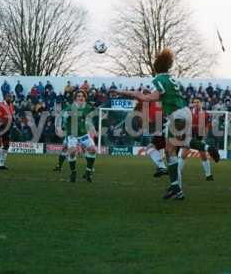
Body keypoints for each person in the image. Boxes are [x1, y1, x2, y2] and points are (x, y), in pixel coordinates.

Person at [117, 48, 219, 200]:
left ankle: (176, 186)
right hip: (184, 112)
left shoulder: (159, 80)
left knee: (173, 149)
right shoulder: (171, 79)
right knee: (175, 146)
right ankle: (177, 188)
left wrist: (125, 92)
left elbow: (148, 98)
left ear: (155, 67)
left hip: (177, 115)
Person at [56, 90, 97, 182]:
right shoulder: (69, 108)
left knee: (93, 150)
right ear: (75, 98)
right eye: (78, 96)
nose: (80, 97)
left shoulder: (87, 107)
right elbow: (59, 116)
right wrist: (59, 128)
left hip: (83, 134)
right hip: (72, 135)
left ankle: (88, 171)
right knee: (72, 152)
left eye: (82, 96)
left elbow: (94, 111)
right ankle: (73, 173)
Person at [180, 97, 214, 181]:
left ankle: (208, 175)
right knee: (183, 154)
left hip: (199, 136)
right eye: (194, 102)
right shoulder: (189, 113)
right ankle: (178, 173)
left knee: (203, 155)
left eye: (197, 102)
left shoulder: (206, 114)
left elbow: (207, 127)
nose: (196, 104)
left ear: (201, 103)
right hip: (189, 136)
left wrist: (204, 137)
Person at [0, 92, 15, 170]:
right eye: (10, 97)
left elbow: (11, 116)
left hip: (8, 127)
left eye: (11, 97)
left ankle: (1, 164)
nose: (11, 98)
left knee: (6, 145)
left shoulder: (11, 105)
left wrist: (12, 121)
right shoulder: (0, 105)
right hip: (0, 127)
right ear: (5, 97)